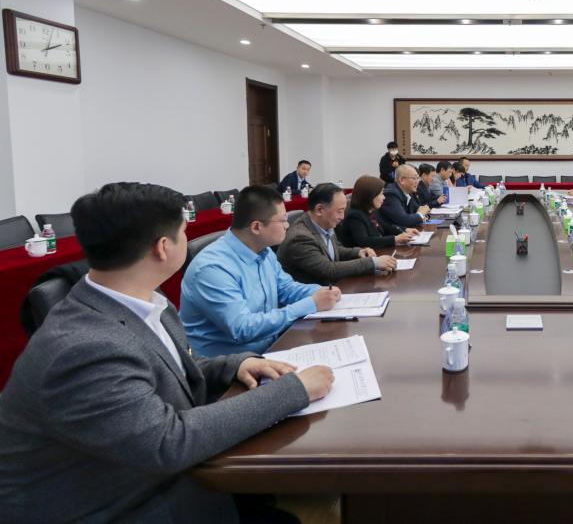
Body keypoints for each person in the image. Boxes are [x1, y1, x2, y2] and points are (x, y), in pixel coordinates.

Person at [0, 182, 334, 523]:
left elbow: (173, 366)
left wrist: (236, 364)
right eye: (184, 232)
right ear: (163, 247)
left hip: (151, 478)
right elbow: (169, 442)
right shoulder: (83, 347)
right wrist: (294, 390)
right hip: (116, 504)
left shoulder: (145, 300)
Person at [181, 186, 343, 356]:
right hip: (233, 365)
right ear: (257, 227)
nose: (287, 225)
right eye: (282, 220)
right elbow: (243, 328)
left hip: (271, 348)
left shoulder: (264, 252)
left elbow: (286, 289)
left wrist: (319, 292)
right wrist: (311, 304)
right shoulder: (212, 269)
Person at [277, 183, 397, 285]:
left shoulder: (324, 222)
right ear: (320, 210)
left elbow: (333, 250)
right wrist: (373, 263)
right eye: (339, 211)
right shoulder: (300, 238)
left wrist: (358, 252)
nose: (342, 217)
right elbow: (328, 270)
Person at [339, 175, 420, 249]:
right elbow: (364, 242)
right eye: (381, 194)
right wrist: (395, 239)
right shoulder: (355, 216)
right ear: (370, 195)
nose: (384, 197)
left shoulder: (370, 211)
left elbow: (385, 227)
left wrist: (405, 230)